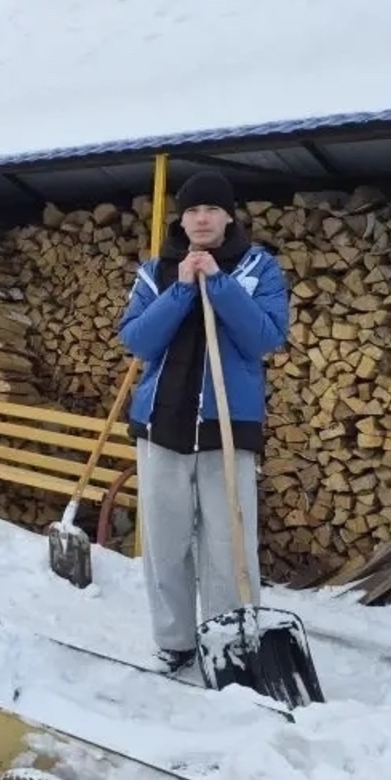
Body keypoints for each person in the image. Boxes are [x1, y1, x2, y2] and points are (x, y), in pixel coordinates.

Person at [116, 171, 290, 673]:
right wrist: (183, 289)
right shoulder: (157, 271)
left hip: (227, 426)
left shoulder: (259, 268)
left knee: (227, 542)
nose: (202, 218)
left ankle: (231, 640)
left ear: (228, 215)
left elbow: (264, 338)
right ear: (182, 218)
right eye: (193, 210)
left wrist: (220, 284)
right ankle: (174, 641)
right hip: (162, 428)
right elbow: (139, 341)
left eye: (212, 209)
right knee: (165, 543)